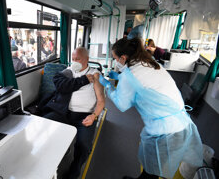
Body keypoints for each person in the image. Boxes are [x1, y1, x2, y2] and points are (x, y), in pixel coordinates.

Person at [99, 38, 203, 179]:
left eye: (115, 58)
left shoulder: (130, 77)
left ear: (123, 58)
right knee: (154, 167)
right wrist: (119, 76)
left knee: (153, 170)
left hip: (165, 131)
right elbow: (144, 84)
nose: (115, 62)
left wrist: (106, 84)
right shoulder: (150, 64)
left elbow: (121, 104)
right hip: (181, 123)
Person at [43, 47, 105, 179]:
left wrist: (94, 116)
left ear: (87, 59)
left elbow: (101, 101)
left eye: (78, 59)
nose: (74, 62)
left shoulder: (95, 74)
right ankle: (55, 157)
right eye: (73, 59)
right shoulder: (68, 72)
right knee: (45, 125)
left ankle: (75, 170)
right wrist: (83, 80)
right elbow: (60, 85)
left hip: (85, 115)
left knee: (84, 145)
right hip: (64, 112)